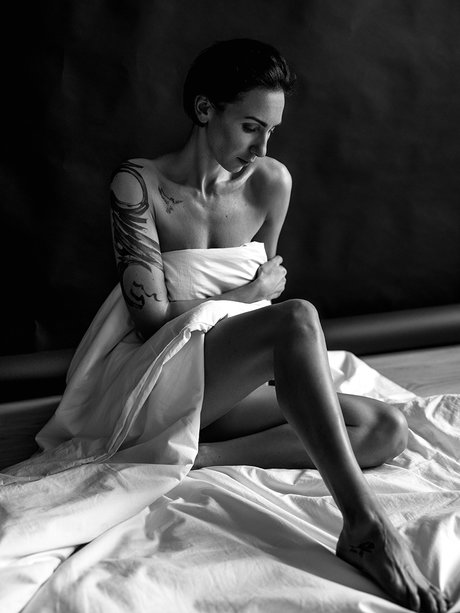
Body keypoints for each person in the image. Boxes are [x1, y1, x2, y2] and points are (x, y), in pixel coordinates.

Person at [109, 39, 448, 613]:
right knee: (297, 316)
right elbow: (153, 324)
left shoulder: (271, 183)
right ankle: (364, 525)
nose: (261, 147)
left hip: (226, 386)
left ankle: (196, 456)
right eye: (249, 127)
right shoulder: (138, 185)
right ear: (204, 109)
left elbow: (258, 316)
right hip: (159, 378)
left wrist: (263, 325)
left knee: (385, 428)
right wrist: (251, 294)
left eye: (270, 131)